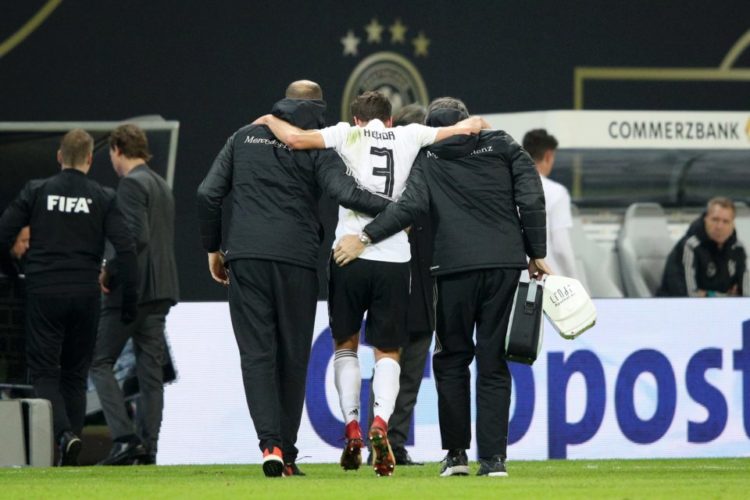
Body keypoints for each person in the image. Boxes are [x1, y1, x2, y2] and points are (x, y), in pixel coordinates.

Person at [255, 91, 483, 477]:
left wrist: (267, 120)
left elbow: (294, 139)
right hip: (393, 257)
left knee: (345, 345)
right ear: (390, 120)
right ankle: (381, 422)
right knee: (388, 351)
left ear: (357, 119)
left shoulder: (346, 133)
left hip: (348, 255)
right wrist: (478, 125)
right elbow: (466, 128)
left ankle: (352, 426)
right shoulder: (410, 135)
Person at [334, 97, 549, 477]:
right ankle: (494, 460)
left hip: (453, 270)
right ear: (466, 121)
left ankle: (456, 456)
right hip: (503, 264)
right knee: (494, 361)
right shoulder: (502, 145)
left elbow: (408, 206)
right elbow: (531, 196)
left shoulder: (429, 157)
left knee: (452, 359)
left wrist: (364, 238)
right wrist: (537, 252)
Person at [197, 80, 393, 478]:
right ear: (319, 108)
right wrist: (397, 211)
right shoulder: (319, 144)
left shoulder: (243, 137)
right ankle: (286, 453)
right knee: (293, 356)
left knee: (257, 355)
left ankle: (269, 444)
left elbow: (207, 194)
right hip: (297, 261)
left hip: (247, 258)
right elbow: (346, 192)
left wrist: (213, 248)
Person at [0, 129, 137, 466]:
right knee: (75, 374)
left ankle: (64, 434)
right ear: (90, 159)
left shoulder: (37, 190)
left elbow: (3, 234)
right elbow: (127, 249)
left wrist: (14, 276)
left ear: (59, 157)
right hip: (85, 294)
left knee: (44, 372)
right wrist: (129, 300)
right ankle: (70, 457)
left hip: (44, 291)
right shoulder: (103, 196)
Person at [90, 124, 180, 466]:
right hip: (161, 290)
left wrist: (108, 270)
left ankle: (125, 440)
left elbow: (134, 238)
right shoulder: (161, 184)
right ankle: (148, 448)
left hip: (133, 291)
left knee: (100, 363)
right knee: (150, 373)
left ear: (116, 150)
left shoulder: (130, 184)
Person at [364, 104, 431, 467]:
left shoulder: (432, 173)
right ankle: (385, 440)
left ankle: (394, 444)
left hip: (416, 286)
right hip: (397, 282)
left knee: (407, 369)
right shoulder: (388, 176)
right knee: (393, 365)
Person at [657, 197, 748, 297]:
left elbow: (745, 293)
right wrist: (724, 296)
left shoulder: (737, 248)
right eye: (715, 220)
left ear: (733, 224)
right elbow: (688, 295)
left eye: (725, 221)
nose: (719, 227)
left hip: (721, 306)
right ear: (705, 219)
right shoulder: (689, 247)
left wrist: (707, 294)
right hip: (675, 305)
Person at [522, 129, 578, 279]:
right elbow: (561, 247)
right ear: (548, 156)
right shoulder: (556, 193)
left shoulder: (508, 188)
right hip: (546, 279)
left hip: (513, 280)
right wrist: (575, 280)